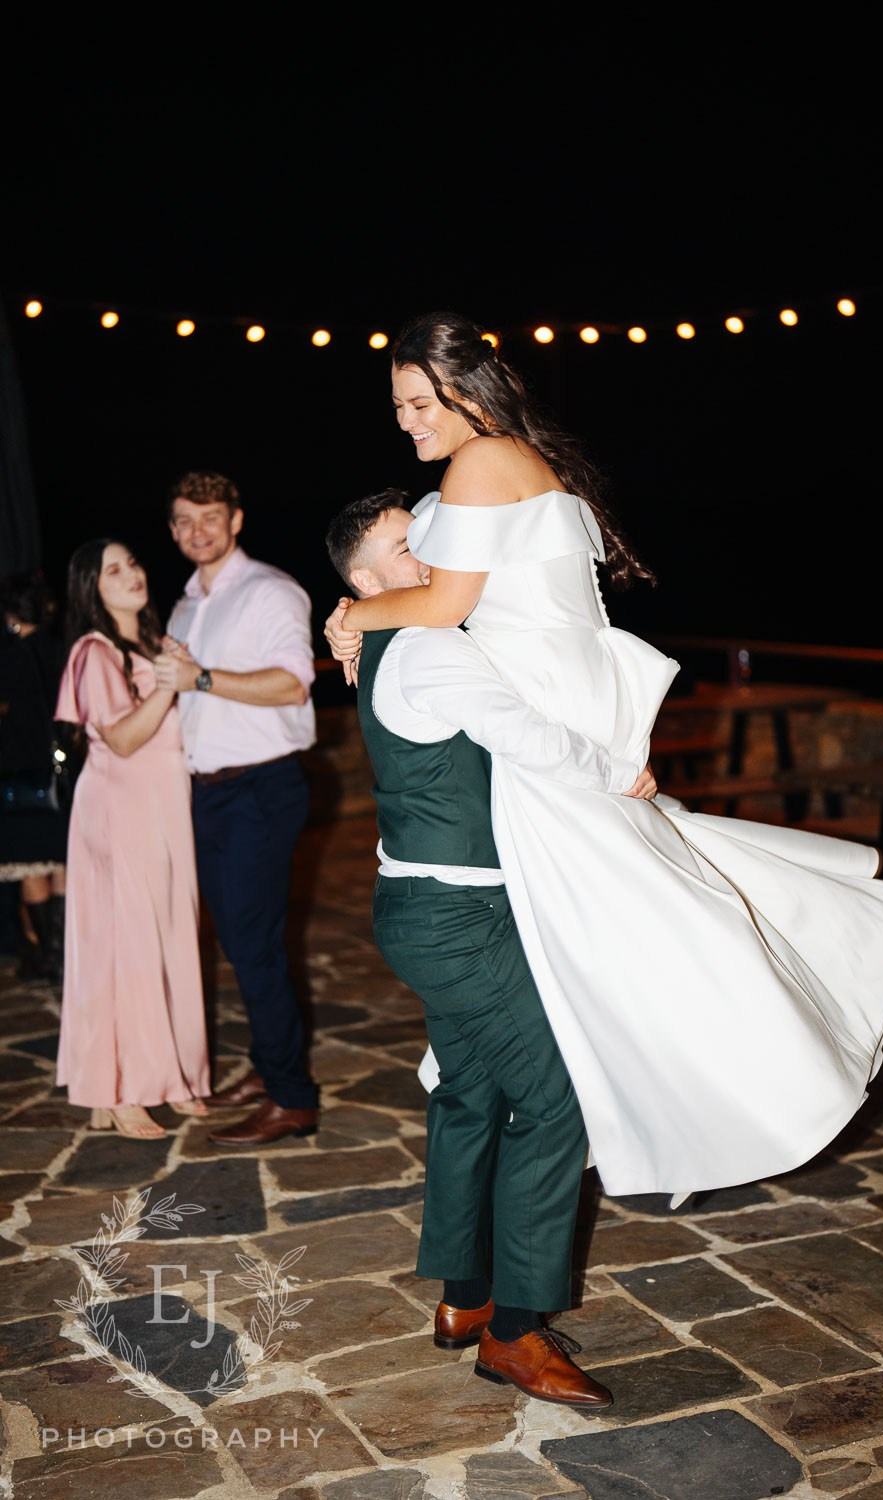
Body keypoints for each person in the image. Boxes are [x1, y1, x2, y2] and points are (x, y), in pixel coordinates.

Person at [325, 309, 883, 1206]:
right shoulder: (513, 460)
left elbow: (443, 605)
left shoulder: (479, 464)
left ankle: (685, 1092)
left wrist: (351, 614)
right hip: (564, 701)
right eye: (399, 406)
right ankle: (592, 1102)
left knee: (611, 926)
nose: (407, 421)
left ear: (465, 393)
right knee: (619, 910)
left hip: (544, 715)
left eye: (419, 403)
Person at [324, 490, 661, 1407]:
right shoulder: (425, 647)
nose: (429, 551)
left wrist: (349, 622)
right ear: (366, 583)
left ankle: (465, 1297)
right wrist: (618, 773)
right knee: (554, 1100)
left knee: (470, 1095)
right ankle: (515, 1335)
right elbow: (526, 736)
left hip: (427, 908)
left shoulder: (398, 637)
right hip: (457, 921)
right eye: (406, 547)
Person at [155, 469, 319, 1146]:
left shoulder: (270, 590)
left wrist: (198, 676)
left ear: (236, 520)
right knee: (241, 942)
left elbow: (291, 685)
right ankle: (268, 1065)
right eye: (185, 520)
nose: (198, 531)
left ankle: (291, 1098)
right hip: (206, 792)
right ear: (173, 529)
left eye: (210, 518)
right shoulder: (185, 605)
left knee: (253, 943)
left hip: (260, 787)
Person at [54, 540, 211, 1138]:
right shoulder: (94, 651)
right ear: (92, 588)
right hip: (118, 808)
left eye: (134, 563)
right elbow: (120, 739)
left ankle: (173, 1076)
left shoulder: (150, 643)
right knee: (126, 946)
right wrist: (171, 684)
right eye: (113, 570)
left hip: (163, 806)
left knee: (169, 936)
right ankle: (120, 1088)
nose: (132, 575)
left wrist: (175, 671)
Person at [0, 571, 71, 984]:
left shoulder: (9, 657)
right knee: (60, 860)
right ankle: (64, 956)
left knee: (30, 867)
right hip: (62, 773)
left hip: (20, 774)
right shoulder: (62, 649)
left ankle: (48, 954)